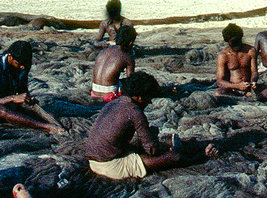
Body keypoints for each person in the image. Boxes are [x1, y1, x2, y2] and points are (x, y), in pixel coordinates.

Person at [85, 72, 215, 180]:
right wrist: (157, 140)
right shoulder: (134, 111)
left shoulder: (115, 102)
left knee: (158, 146)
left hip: (97, 157)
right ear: (140, 97)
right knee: (174, 157)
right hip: (108, 165)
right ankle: (203, 156)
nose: (149, 102)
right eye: (149, 98)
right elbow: (152, 150)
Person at [0, 41, 64, 135]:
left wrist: (28, 99)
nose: (22, 67)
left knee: (49, 114)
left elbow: (23, 89)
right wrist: (12, 98)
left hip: (13, 107)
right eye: (18, 63)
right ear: (10, 57)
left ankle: (55, 126)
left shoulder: (23, 64)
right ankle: (45, 127)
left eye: (24, 64)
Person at [216, 23, 267, 101]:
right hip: (233, 89)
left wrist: (253, 81)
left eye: (238, 41)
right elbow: (220, 81)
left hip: (250, 88)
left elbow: (254, 72)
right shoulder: (223, 56)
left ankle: (256, 97)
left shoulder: (250, 51)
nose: (237, 45)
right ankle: (254, 97)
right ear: (227, 41)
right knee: (218, 93)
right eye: (233, 42)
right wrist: (237, 86)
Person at [91, 24, 136, 101]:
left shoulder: (103, 51)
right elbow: (130, 82)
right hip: (110, 95)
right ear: (130, 43)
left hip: (94, 92)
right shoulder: (127, 57)